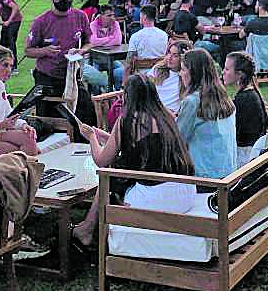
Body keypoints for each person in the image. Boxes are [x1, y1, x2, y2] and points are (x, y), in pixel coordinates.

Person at [71, 74, 196, 251]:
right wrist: (105, 137)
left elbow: (101, 161)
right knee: (115, 174)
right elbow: (145, 144)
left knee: (108, 176)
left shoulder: (129, 120)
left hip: (158, 198)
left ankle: (87, 229)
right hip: (185, 193)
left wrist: (91, 137)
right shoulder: (167, 116)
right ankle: (87, 228)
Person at [24, 0, 92, 115]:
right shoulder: (41, 21)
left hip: (72, 75)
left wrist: (82, 50)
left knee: (87, 111)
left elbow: (89, 42)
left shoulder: (81, 16)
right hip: (47, 76)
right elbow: (28, 51)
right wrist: (45, 51)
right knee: (47, 117)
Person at [177, 48, 237, 179]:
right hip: (229, 171)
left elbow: (177, 139)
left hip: (206, 177)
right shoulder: (222, 96)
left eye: (183, 69)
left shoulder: (192, 102)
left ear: (193, 73)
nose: (180, 74)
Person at [222, 51, 268, 166]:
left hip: (245, 159)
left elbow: (231, 135)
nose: (223, 72)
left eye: (227, 69)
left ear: (239, 74)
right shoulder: (251, 93)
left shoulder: (243, 99)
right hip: (252, 153)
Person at [148, 40, 188, 114]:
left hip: (172, 114)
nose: (169, 58)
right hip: (154, 111)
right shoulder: (158, 69)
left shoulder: (186, 76)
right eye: (169, 53)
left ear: (183, 58)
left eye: (175, 55)